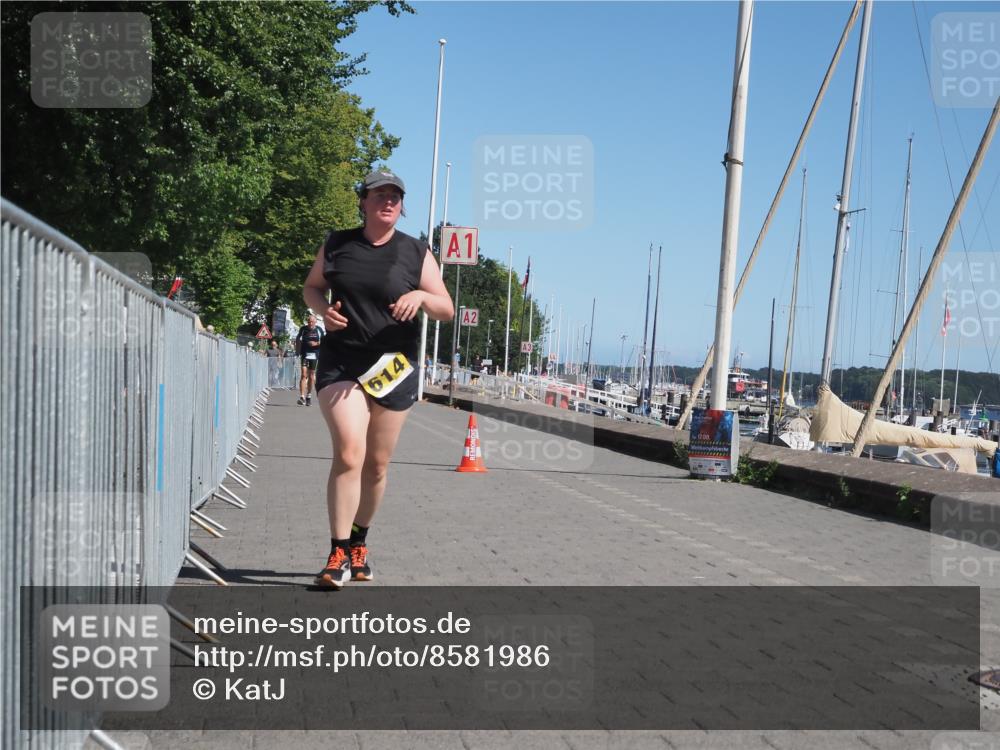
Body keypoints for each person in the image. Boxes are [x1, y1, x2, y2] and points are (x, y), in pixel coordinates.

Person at [302, 169, 454, 588]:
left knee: (377, 465)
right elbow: (312, 288)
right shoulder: (337, 245)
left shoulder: (416, 252)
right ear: (363, 202)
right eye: (379, 194)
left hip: (393, 368)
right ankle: (336, 554)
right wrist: (322, 311)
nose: (388, 201)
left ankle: (358, 541)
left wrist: (423, 296)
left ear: (402, 206)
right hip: (343, 362)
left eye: (396, 196)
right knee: (350, 453)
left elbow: (447, 308)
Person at [296, 314, 323, 405]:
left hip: (315, 355)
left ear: (315, 322)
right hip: (304, 354)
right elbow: (298, 339)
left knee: (311, 375)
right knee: (303, 374)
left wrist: (316, 343)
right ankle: (302, 397)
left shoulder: (319, 330)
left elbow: (324, 341)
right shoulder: (303, 329)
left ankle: (309, 395)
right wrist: (297, 351)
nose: (310, 323)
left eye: (312, 322)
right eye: (309, 322)